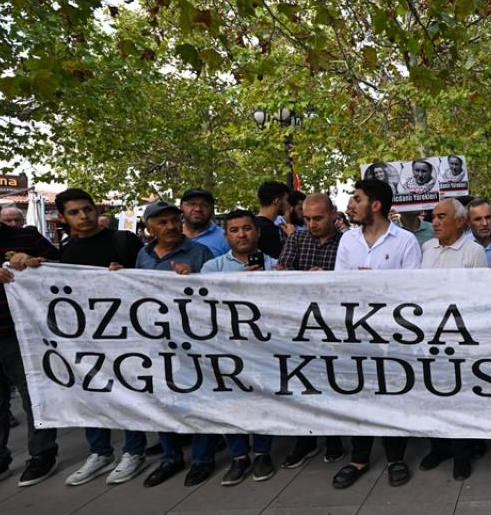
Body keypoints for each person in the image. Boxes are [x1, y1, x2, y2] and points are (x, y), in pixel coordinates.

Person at [45, 189, 148, 487]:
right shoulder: (66, 250)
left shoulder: (123, 240)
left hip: (125, 333)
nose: (84, 216)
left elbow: (149, 281)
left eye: (87, 209)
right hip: (85, 336)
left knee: (128, 391)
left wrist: (126, 273)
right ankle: (100, 452)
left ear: (96, 209)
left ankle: (134, 451)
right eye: (74, 212)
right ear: (63, 218)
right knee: (89, 392)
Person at [332, 178, 422, 489]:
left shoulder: (406, 241)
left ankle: (396, 458)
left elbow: (415, 290)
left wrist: (377, 285)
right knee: (360, 392)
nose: (351, 205)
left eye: (357, 199)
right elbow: (338, 285)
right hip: (357, 333)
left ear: (376, 205)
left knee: (394, 393)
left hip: (394, 335)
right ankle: (358, 458)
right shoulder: (347, 241)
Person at [0, 185, 61, 492]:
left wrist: (36, 261)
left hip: (23, 335)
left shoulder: (25, 237)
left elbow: (63, 267)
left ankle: (42, 453)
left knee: (35, 396)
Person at [134, 201, 219, 487]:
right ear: (150, 229)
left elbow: (216, 292)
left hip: (193, 339)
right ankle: (171, 457)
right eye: (162, 222)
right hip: (155, 339)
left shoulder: (199, 252)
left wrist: (193, 279)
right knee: (162, 397)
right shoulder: (143, 255)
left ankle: (203, 459)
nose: (170, 226)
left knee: (199, 396)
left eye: (174, 220)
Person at [200, 209, 280, 485]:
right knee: (229, 399)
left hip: (262, 347)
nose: (241, 235)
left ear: (257, 232)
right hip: (225, 347)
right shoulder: (212, 268)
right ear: (226, 236)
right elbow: (204, 304)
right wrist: (237, 283)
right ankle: (239, 456)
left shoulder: (276, 266)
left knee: (263, 398)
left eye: (246, 228)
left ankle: (262, 453)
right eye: (234, 230)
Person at [276, 193, 347, 467]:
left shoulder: (347, 242)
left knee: (333, 384)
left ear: (333, 215)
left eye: (318, 218)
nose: (312, 224)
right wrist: (302, 278)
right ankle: (305, 440)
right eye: (306, 219)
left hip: (335, 328)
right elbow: (282, 274)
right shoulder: (296, 239)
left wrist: (328, 280)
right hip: (300, 327)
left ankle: (334, 438)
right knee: (301, 385)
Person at [418, 198, 487, 480]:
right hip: (429, 335)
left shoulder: (474, 252)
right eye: (433, 217)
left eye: (441, 216)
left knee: (460, 397)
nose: (434, 222)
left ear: (460, 221)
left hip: (460, 337)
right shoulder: (426, 248)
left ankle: (462, 454)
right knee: (433, 394)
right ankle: (439, 448)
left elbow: (480, 296)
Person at [180, 188, 228, 257]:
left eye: (205, 205)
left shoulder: (225, 238)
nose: (198, 209)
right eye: (192, 204)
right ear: (181, 206)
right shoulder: (171, 233)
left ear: (212, 209)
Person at [255, 180, 291, 259]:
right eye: (287, 200)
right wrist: (292, 236)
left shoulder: (252, 223)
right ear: (277, 201)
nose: (289, 204)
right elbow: (280, 261)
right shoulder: (269, 229)